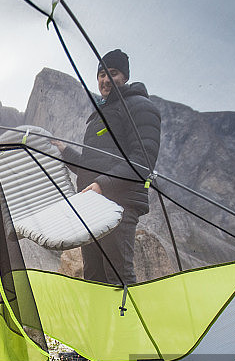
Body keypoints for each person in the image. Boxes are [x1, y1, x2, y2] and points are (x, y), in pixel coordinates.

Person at [55, 49, 161, 285]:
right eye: (101, 74)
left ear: (125, 76)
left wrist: (102, 186)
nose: (105, 80)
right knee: (94, 277)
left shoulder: (140, 107)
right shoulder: (100, 115)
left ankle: (128, 322)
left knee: (118, 278)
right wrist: (64, 150)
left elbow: (142, 161)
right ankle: (99, 323)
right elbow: (91, 165)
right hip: (93, 204)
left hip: (119, 205)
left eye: (112, 73)